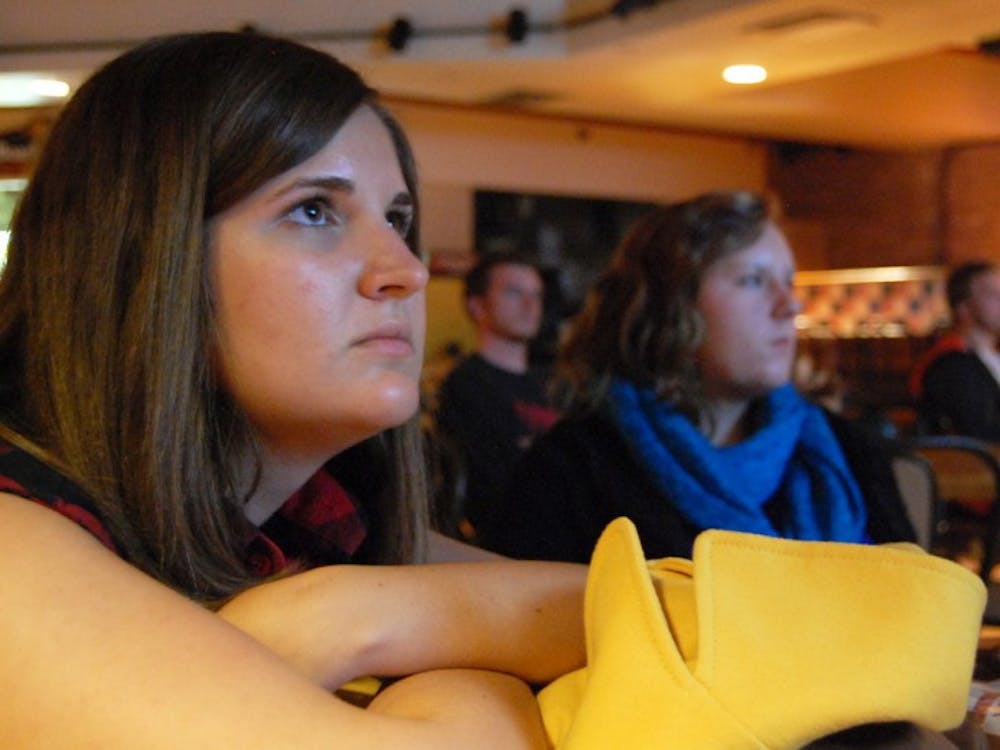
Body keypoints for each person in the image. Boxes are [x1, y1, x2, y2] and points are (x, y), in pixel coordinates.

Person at [0, 31, 588, 748]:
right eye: (314, 210)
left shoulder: (311, 526)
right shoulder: (14, 546)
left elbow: (672, 609)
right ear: (141, 254)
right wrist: (447, 659)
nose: (406, 269)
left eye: (398, 220)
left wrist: (346, 613)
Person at [477, 190, 916, 563]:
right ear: (672, 307)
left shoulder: (849, 453)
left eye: (788, 281)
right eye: (752, 280)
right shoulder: (575, 470)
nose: (790, 305)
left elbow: (915, 611)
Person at [434, 252, 559, 539]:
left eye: (536, 294)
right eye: (514, 293)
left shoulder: (554, 382)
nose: (531, 305)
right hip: (515, 538)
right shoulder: (466, 384)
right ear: (477, 306)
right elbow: (496, 485)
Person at [910, 261, 1000, 441]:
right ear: (963, 307)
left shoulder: (991, 357)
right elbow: (979, 432)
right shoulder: (950, 364)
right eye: (992, 295)